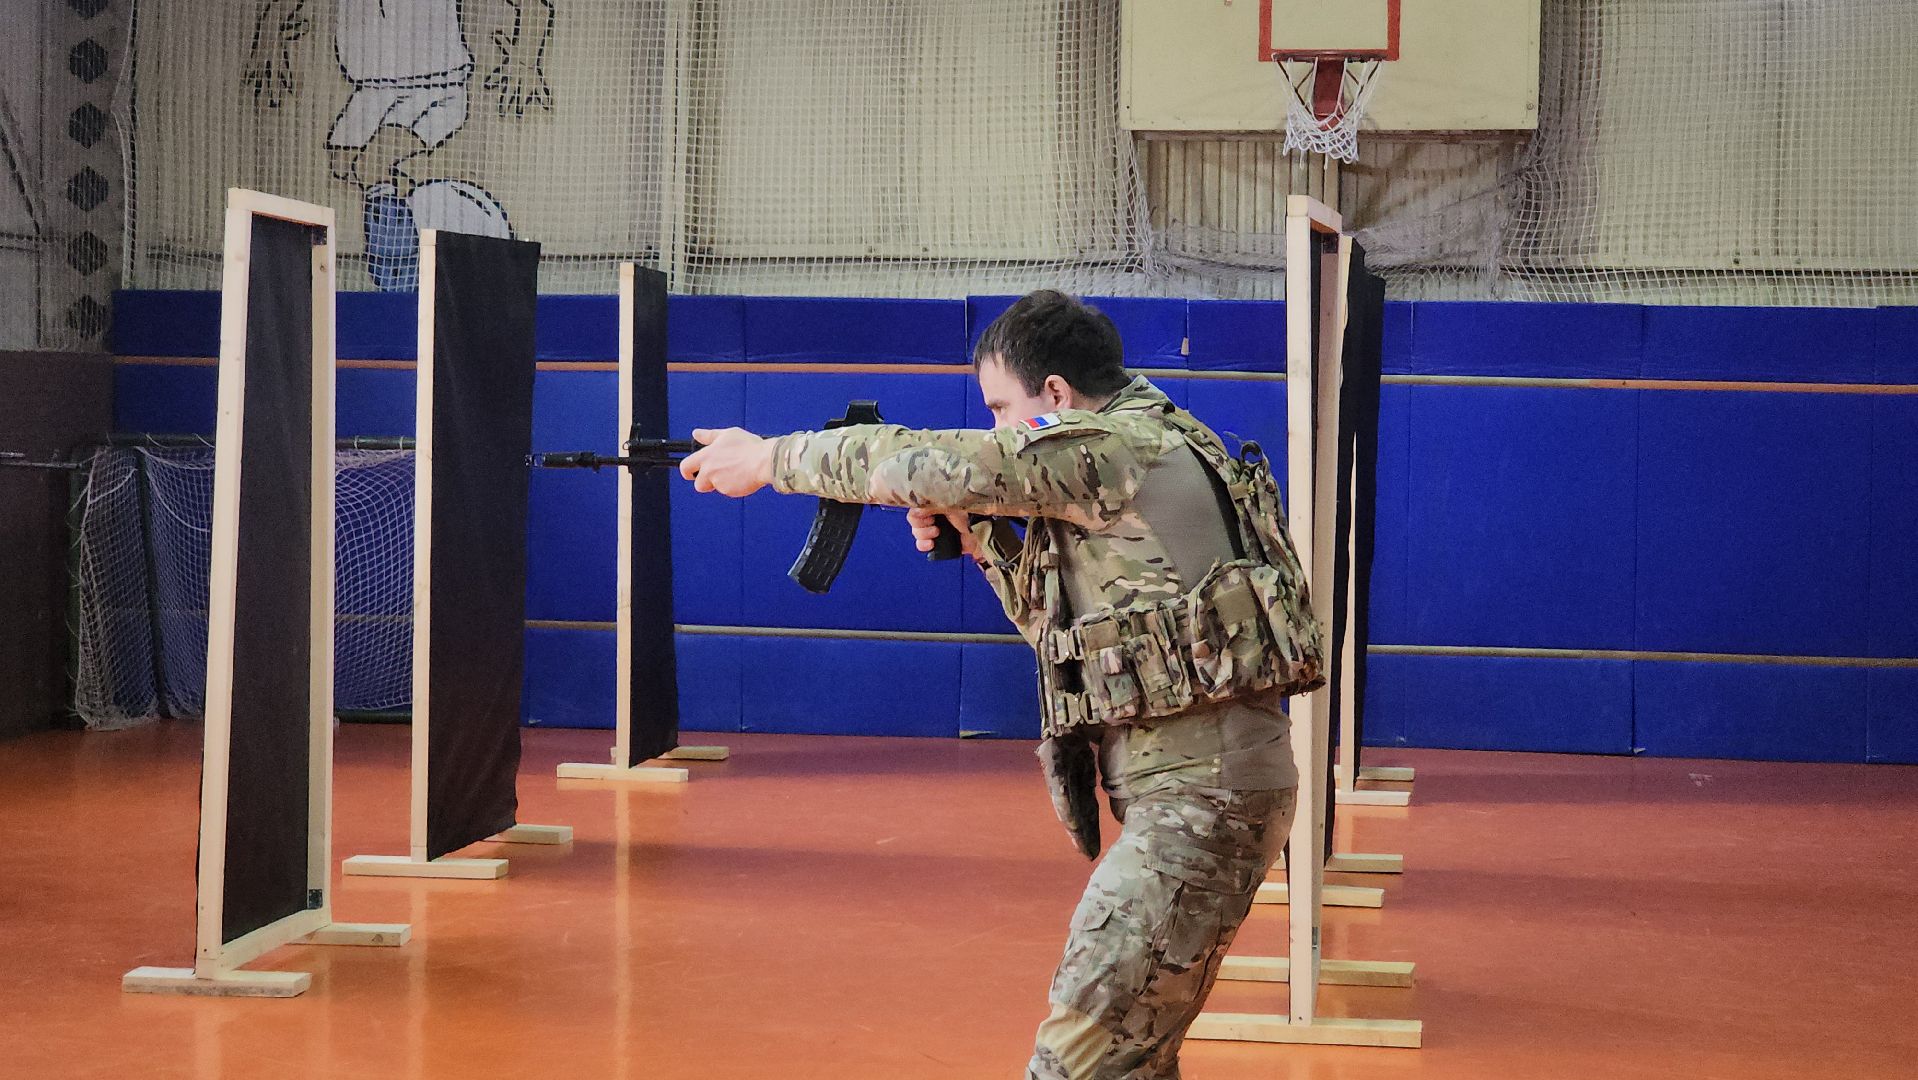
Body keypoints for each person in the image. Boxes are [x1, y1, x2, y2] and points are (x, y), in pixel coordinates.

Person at [679, 289, 1324, 1080]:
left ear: (1055, 394)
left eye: (1000, 408)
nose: (995, 431)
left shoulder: (1112, 447)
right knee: (1133, 1059)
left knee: (1075, 1060)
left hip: (1200, 800)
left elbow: (926, 458)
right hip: (1200, 788)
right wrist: (982, 542)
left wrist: (770, 459)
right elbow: (1078, 640)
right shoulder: (1159, 442)